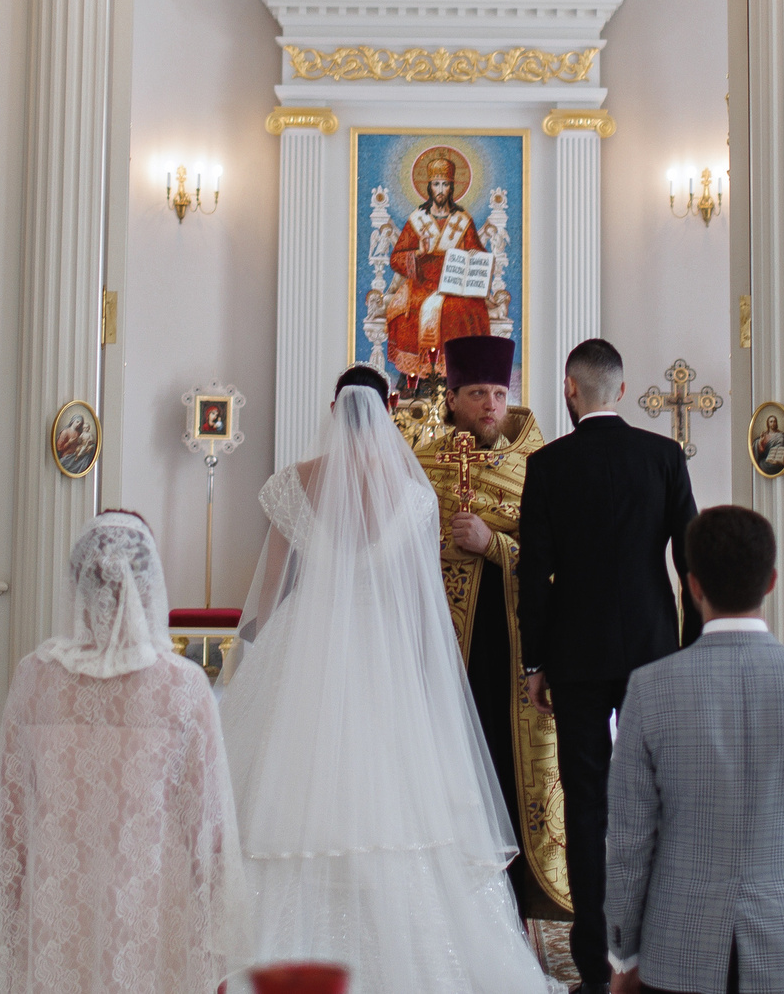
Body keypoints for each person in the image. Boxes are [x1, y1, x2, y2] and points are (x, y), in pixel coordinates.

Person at [217, 378, 547, 991]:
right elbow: (422, 604)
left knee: (282, 795)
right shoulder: (414, 496)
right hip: (385, 651)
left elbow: (270, 596)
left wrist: (262, 664)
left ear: (333, 411)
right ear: (389, 410)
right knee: (403, 804)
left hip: (305, 646)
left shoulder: (294, 483)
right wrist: (427, 676)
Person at [0, 512, 241, 994]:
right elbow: (208, 826)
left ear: (78, 585)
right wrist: (214, 928)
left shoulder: (35, 677)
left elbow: (11, 817)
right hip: (153, 900)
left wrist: (6, 921)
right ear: (149, 587)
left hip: (57, 899)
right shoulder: (183, 686)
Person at [606, 508, 784, 994]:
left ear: (693, 586)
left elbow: (628, 842)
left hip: (675, 951)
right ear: (772, 582)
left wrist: (623, 953)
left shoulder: (649, 689)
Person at [519, 337, 700, 994]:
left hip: (576, 657)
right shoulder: (663, 456)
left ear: (570, 388)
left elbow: (534, 574)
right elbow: (690, 559)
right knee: (661, 801)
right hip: (654, 651)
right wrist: (692, 649)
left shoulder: (547, 465)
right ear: (620, 390)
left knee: (587, 807)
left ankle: (597, 970)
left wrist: (535, 662)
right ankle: (663, 957)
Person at [417, 334, 568, 917]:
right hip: (441, 644)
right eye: (477, 393)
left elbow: (558, 562)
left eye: (499, 393)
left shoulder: (538, 464)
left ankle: (518, 890)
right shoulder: (421, 463)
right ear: (452, 397)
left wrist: (493, 545)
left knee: (505, 758)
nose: (490, 405)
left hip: (511, 644)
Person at [382, 147, 493, 383]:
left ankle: (457, 374)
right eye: (436, 184)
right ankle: (416, 377)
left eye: (445, 185)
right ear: (429, 187)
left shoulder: (463, 220)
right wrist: (418, 252)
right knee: (413, 308)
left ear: (452, 187)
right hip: (422, 285)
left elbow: (479, 254)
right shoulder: (417, 220)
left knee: (460, 310)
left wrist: (473, 254)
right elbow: (396, 258)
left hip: (455, 287)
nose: (440, 190)